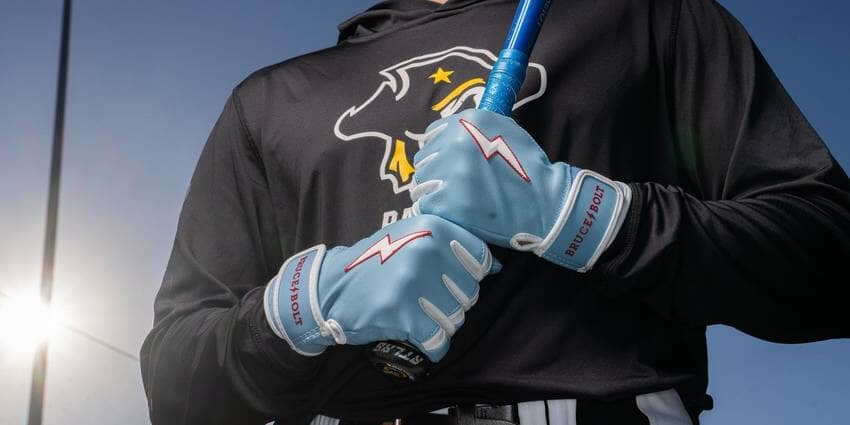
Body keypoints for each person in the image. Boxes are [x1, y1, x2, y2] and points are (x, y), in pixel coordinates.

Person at [140, 0, 850, 424]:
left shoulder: (648, 19)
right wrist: (305, 303)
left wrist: (586, 216)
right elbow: (175, 385)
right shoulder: (269, 100)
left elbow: (832, 250)